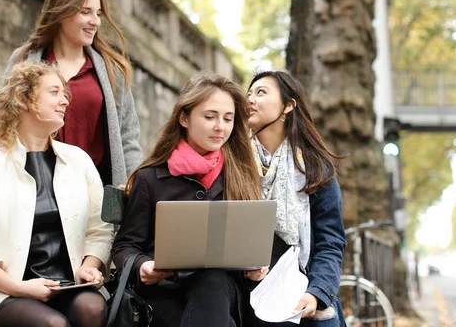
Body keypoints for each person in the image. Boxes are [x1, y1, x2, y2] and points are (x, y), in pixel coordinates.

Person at [111, 72, 263, 326]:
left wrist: (255, 268)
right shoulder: (150, 178)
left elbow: (251, 248)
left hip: (223, 291)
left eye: (228, 118)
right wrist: (142, 266)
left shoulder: (241, 176)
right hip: (164, 292)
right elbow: (124, 246)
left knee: (212, 280)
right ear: (184, 118)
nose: (220, 127)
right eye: (210, 117)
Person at [0, 62, 115, 326]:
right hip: (11, 291)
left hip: (71, 285)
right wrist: (20, 288)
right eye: (54, 92)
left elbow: (99, 229)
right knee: (53, 324)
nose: (65, 100)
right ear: (24, 99)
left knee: (92, 309)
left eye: (64, 93)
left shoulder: (79, 160)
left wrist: (89, 267)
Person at [0, 0, 141, 187]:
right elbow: (2, 122)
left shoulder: (113, 71)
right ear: (61, 13)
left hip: (94, 193)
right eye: (86, 12)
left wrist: (132, 182)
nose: (95, 22)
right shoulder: (23, 59)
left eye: (98, 14)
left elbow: (128, 137)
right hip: (34, 190)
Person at [245, 70, 348, 326]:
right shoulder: (234, 162)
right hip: (249, 289)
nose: (250, 99)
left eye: (261, 92)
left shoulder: (314, 168)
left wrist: (316, 293)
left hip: (302, 284)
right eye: (248, 93)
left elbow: (330, 240)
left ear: (288, 106)